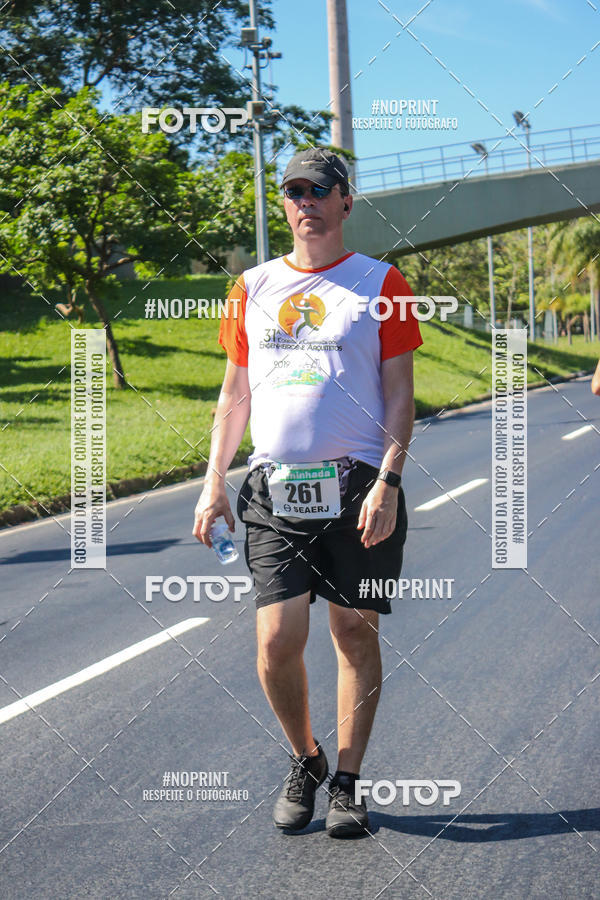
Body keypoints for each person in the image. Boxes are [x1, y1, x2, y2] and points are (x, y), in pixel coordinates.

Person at [192, 147, 423, 837]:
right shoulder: (252, 288)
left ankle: (348, 783)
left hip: (358, 485)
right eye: (294, 190)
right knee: (275, 640)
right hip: (272, 489)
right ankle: (306, 758)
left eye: (321, 189)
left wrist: (388, 479)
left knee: (353, 631)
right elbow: (234, 395)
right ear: (284, 203)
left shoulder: (382, 282)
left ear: (346, 201)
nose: (306, 201)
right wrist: (213, 485)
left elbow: (402, 393)